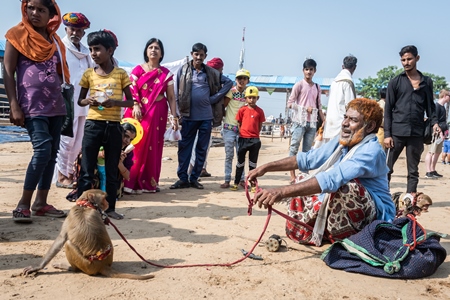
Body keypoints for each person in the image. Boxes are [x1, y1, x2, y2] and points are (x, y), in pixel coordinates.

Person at [248, 98, 395, 246]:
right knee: (301, 178)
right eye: (345, 117)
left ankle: (349, 238)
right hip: (345, 212)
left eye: (353, 120)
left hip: (375, 214)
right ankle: (327, 232)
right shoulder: (341, 143)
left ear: (369, 126)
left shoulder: (372, 150)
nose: (344, 123)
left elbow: (333, 178)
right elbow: (308, 159)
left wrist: (280, 192)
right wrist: (265, 168)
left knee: (347, 187)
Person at [4, 0, 70, 222]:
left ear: (51, 14)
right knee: (42, 151)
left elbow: (61, 73)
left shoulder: (55, 41)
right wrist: (14, 104)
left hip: (56, 105)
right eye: (30, 8)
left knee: (51, 154)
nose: (34, 13)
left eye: (41, 10)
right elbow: (8, 72)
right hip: (31, 106)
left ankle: (41, 202)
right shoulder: (16, 36)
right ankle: (23, 203)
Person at [76, 30, 134, 220]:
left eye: (97, 49)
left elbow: (130, 102)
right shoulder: (88, 74)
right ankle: (82, 209)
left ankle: (110, 209)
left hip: (114, 127)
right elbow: (80, 101)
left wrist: (114, 103)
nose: (93, 53)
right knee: (86, 169)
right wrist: (89, 100)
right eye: (91, 49)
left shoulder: (120, 74)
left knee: (111, 170)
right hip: (93, 125)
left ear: (110, 50)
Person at [171, 43, 232, 190]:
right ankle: (183, 178)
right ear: (192, 54)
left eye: (202, 55)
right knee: (184, 148)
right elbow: (177, 91)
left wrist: (214, 98)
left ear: (205, 56)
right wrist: (178, 113)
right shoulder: (183, 70)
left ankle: (194, 178)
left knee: (201, 149)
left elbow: (228, 83)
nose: (199, 57)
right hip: (188, 116)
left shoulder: (210, 72)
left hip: (206, 117)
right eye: (196, 54)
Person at [122, 38, 178, 194]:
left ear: (161, 53)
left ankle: (148, 182)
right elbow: (131, 90)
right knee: (135, 144)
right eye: (151, 47)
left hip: (157, 113)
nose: (154, 50)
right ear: (146, 51)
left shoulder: (166, 74)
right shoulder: (137, 70)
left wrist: (174, 117)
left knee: (154, 146)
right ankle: (129, 182)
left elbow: (172, 97)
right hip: (138, 112)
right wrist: (135, 105)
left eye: (157, 48)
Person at [385, 45, 439, 198]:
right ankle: (383, 198)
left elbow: (431, 107)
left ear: (417, 58)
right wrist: (387, 134)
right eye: (403, 60)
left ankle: (410, 200)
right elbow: (388, 110)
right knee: (386, 168)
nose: (406, 62)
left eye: (409, 59)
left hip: (416, 132)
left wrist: (435, 123)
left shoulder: (426, 82)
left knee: (413, 170)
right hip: (396, 132)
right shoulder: (395, 82)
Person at [55, 12, 93, 188]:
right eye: (72, 29)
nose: (75, 33)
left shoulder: (87, 53)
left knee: (78, 141)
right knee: (66, 140)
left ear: (83, 33)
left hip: (83, 102)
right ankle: (61, 176)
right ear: (66, 29)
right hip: (65, 101)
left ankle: (69, 173)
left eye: (79, 31)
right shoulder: (58, 47)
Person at [287, 59, 325, 184]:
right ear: (303, 71)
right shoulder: (299, 85)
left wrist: (324, 121)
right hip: (299, 121)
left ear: (315, 71)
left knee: (307, 151)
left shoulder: (317, 87)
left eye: (311, 69)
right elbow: (290, 103)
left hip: (312, 122)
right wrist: (304, 109)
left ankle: (303, 175)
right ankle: (292, 175)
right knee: (294, 147)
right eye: (307, 69)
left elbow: (319, 106)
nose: (309, 72)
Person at [188, 57, 227, 179]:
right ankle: (193, 169)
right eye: (220, 69)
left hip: (208, 117)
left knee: (206, 143)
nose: (221, 72)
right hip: (199, 115)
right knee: (197, 143)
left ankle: (201, 168)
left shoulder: (215, 81)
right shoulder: (205, 79)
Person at [220, 68, 251, 188]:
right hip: (229, 127)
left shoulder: (248, 94)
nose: (241, 81)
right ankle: (227, 179)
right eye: (239, 78)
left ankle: (241, 179)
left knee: (241, 155)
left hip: (242, 129)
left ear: (247, 80)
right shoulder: (231, 92)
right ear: (236, 80)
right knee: (229, 155)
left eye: (244, 78)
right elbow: (224, 105)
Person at [230, 86, 265, 191]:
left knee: (253, 164)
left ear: (257, 98)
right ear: (245, 98)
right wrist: (243, 134)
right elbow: (239, 123)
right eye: (249, 97)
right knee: (240, 163)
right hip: (243, 139)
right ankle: (236, 183)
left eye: (254, 97)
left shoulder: (260, 111)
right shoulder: (242, 110)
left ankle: (253, 185)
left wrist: (254, 135)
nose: (251, 100)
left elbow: (259, 126)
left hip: (255, 140)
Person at [322, 55, 357, 142]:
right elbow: (351, 105)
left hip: (330, 121)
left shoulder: (334, 81)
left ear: (342, 66)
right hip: (341, 122)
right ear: (354, 67)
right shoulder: (348, 82)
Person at [424, 89, 450, 178]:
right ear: (445, 96)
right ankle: (428, 171)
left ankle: (432, 169)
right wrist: (440, 132)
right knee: (431, 151)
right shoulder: (437, 106)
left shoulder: (442, 106)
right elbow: (435, 121)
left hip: (441, 133)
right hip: (435, 133)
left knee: (437, 152)